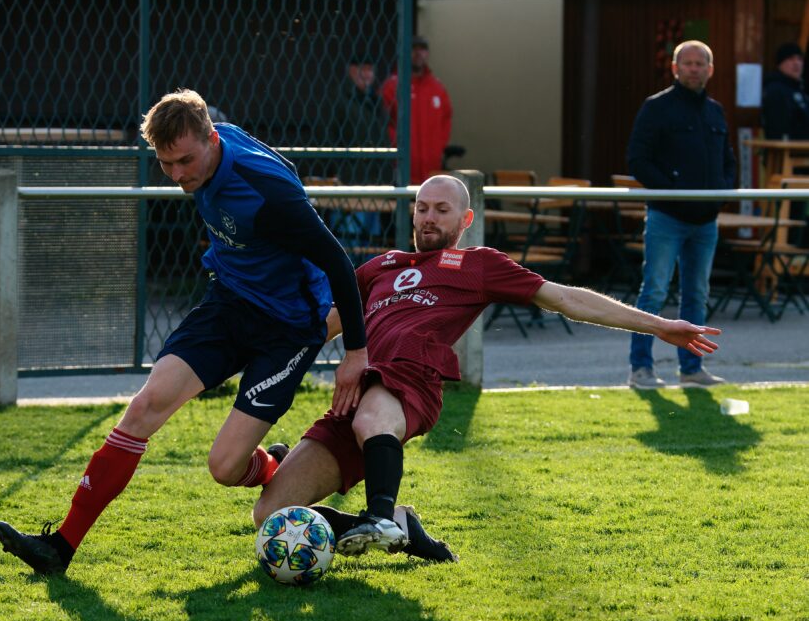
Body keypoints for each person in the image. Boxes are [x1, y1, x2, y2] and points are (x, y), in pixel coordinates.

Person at [0, 88, 369, 575]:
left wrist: (355, 353)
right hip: (228, 304)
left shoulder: (267, 191)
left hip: (288, 329)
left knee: (224, 467)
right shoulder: (207, 148)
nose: (177, 175)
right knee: (145, 405)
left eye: (186, 161)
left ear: (212, 138)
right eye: (165, 164)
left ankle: (273, 469)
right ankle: (60, 547)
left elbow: (338, 262)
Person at [253, 175, 722, 561]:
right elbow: (319, 329)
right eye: (422, 207)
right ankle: (396, 524)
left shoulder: (477, 264)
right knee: (271, 517)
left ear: (465, 219)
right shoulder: (380, 266)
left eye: (441, 209)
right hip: (355, 397)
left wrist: (658, 326)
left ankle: (379, 514)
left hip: (408, 379)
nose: (429, 217)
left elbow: (566, 299)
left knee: (374, 418)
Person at [626, 40, 735, 390]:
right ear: (675, 68)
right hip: (667, 219)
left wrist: (722, 193)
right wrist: (671, 191)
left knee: (696, 295)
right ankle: (641, 369)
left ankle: (692, 369)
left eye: (699, 63)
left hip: (706, 223)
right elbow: (637, 159)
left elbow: (729, 161)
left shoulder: (716, 111)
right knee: (654, 293)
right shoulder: (656, 108)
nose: (693, 68)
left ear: (710, 69)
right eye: (686, 63)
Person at [380, 35, 453, 185]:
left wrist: (438, 147)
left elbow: (446, 120)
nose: (418, 53)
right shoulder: (392, 87)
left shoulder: (437, 88)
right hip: (401, 171)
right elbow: (383, 123)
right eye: (414, 49)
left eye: (423, 49)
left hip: (431, 172)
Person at [332, 56, 388, 184]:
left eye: (370, 70)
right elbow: (329, 134)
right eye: (363, 69)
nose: (368, 74)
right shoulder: (339, 99)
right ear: (351, 71)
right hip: (350, 174)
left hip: (376, 174)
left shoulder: (375, 100)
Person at [761, 42, 809, 141]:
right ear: (780, 64)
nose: (796, 63)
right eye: (791, 59)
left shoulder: (800, 89)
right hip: (787, 150)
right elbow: (778, 125)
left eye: (799, 59)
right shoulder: (774, 90)